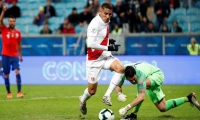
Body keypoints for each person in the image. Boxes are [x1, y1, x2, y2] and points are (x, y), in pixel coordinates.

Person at [79, 2, 125, 115]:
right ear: (100, 11)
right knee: (92, 91)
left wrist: (111, 44)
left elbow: (103, 37)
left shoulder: (106, 20)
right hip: (94, 59)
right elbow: (90, 44)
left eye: (110, 14)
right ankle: (82, 100)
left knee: (120, 68)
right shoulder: (95, 24)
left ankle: (107, 95)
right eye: (105, 13)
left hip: (105, 56)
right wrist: (108, 47)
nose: (108, 16)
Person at [115, 62, 200, 119]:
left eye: (134, 79)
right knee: (163, 107)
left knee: (140, 90)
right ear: (126, 77)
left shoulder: (140, 76)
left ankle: (133, 115)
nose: (133, 81)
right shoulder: (122, 72)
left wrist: (127, 108)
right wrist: (119, 93)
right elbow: (118, 85)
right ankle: (189, 98)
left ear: (135, 74)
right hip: (149, 78)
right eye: (131, 80)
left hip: (157, 75)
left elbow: (141, 97)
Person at [0, 6, 23, 98]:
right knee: (6, 74)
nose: (11, 22)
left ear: (15, 22)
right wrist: (3, 11)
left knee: (17, 71)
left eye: (13, 21)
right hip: (5, 55)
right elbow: (0, 20)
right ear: (8, 22)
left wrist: (20, 56)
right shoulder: (4, 29)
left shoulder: (18, 32)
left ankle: (19, 92)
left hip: (14, 56)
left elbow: (19, 44)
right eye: (10, 21)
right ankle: (9, 92)